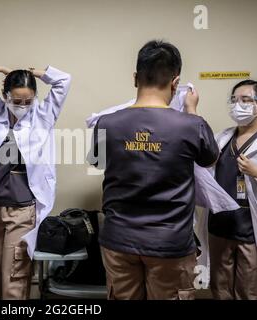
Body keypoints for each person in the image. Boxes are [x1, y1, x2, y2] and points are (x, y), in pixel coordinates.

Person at [88, 40, 219, 300]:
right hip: (170, 243)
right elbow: (209, 160)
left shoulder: (106, 123)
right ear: (176, 82)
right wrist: (192, 110)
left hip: (119, 240)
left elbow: (98, 162)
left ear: (135, 78)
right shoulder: (191, 126)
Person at [0, 61, 71, 299]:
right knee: (0, 276)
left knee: (13, 282)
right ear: (4, 95)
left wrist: (33, 73)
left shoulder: (42, 115)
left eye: (28, 101)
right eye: (16, 101)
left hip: (22, 212)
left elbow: (63, 81)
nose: (23, 106)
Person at [207, 80, 257, 300]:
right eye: (234, 100)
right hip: (220, 226)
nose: (238, 105)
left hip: (251, 230)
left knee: (250, 290)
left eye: (245, 100)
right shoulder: (222, 138)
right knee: (220, 289)